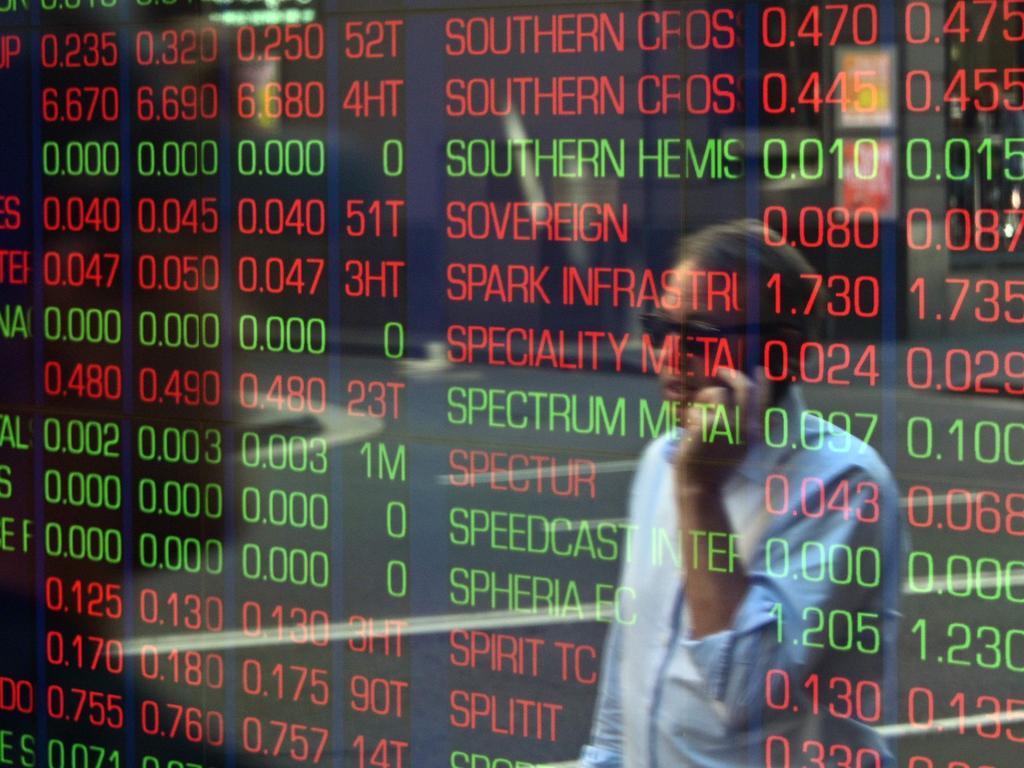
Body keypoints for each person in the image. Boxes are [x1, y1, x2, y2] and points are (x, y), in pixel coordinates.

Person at [580, 219, 903, 767]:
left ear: (779, 355)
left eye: (700, 337)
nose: (671, 359)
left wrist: (699, 490)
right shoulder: (664, 459)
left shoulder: (842, 485)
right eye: (661, 330)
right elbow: (629, 665)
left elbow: (746, 692)